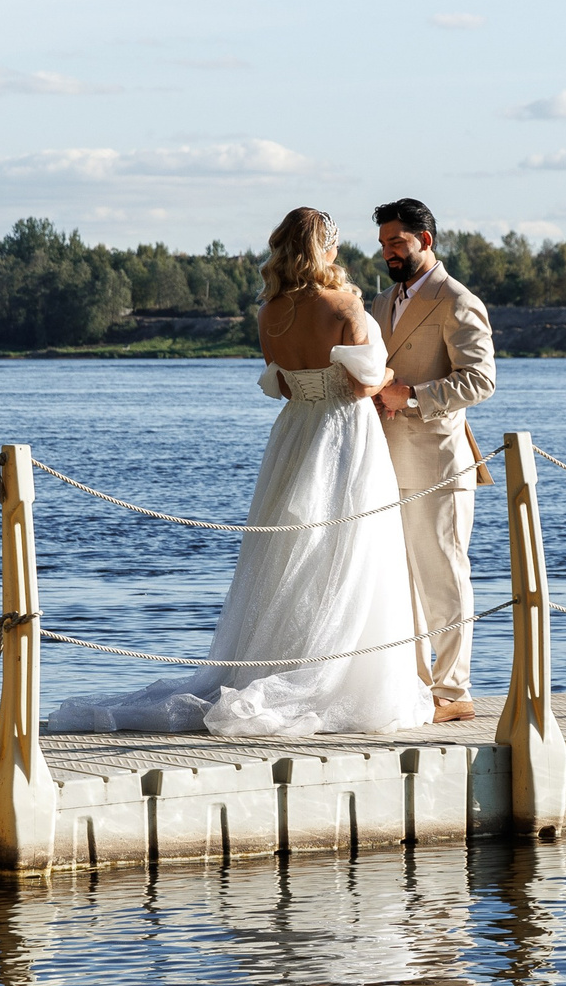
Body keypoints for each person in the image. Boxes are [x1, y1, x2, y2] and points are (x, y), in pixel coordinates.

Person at [46, 207, 434, 739]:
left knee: (291, 555)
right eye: (335, 244)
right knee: (348, 549)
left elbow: (281, 381)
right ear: (322, 249)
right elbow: (366, 384)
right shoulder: (344, 303)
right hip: (344, 434)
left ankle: (277, 659)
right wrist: (392, 371)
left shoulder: (269, 312)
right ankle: (333, 672)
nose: (339, 253)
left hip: (295, 433)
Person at [369, 198, 497, 720]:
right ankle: (420, 690)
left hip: (440, 463)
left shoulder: (456, 299)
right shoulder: (380, 304)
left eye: (397, 243)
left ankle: (454, 692)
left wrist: (413, 396)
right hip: (382, 462)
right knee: (401, 584)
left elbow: (481, 379)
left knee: (444, 579)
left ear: (426, 240)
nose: (389, 253)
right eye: (383, 245)